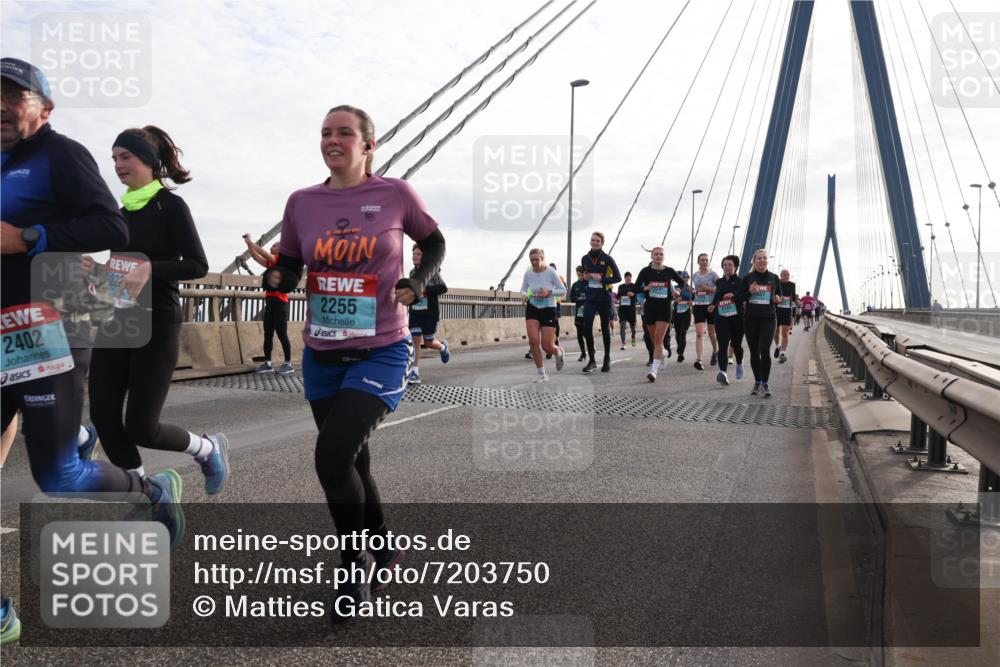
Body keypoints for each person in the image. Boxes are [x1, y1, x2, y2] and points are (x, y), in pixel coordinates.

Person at [1, 58, 182, 644]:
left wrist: (30, 238)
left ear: (44, 109)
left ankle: (152, 490)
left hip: (45, 324)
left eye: (13, 95)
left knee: (59, 475)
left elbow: (112, 228)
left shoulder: (61, 155)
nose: (0, 105)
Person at [262, 104, 445, 623]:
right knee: (354, 460)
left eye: (345, 133)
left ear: (369, 146)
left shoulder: (395, 193)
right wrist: (277, 277)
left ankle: (352, 565)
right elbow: (293, 262)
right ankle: (382, 547)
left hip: (383, 347)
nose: (332, 140)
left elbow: (432, 241)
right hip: (322, 353)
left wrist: (418, 281)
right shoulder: (301, 202)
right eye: (325, 133)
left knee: (332, 456)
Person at [84, 125, 229, 494]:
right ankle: (147, 493)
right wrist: (96, 276)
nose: (117, 164)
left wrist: (149, 268)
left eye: (125, 156)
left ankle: (208, 449)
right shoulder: (120, 213)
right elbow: (123, 276)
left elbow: (197, 264)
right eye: (114, 158)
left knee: (141, 427)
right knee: (102, 415)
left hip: (158, 319)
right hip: (119, 319)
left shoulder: (170, 206)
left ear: (147, 160)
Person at [735, 249, 782, 397]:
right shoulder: (748, 278)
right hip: (750, 319)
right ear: (754, 261)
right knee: (754, 351)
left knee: (764, 349)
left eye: (764, 258)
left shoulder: (774, 277)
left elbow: (779, 294)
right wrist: (750, 292)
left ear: (767, 260)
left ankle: (765, 384)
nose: (761, 260)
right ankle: (757, 381)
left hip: (768, 319)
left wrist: (778, 299)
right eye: (759, 258)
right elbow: (738, 298)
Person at [245, 236, 294, 375]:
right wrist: (248, 244)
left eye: (274, 245)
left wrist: (251, 242)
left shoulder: (280, 261)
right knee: (268, 334)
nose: (272, 247)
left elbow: (264, 254)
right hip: (270, 303)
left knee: (282, 334)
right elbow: (255, 256)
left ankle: (288, 364)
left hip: (280, 303)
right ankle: (268, 363)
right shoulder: (272, 264)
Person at [635, 248, 684, 382]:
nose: (658, 256)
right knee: (655, 341)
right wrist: (646, 288)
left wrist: (677, 291)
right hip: (650, 308)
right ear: (652, 256)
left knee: (658, 339)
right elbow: (635, 288)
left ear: (664, 256)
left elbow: (682, 282)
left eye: (661, 254)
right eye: (656, 254)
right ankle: (663, 353)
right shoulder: (645, 271)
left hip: (664, 308)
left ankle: (653, 371)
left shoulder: (669, 271)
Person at [520, 249, 566, 382]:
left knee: (547, 346)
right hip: (533, 308)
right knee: (533, 341)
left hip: (548, 309)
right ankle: (541, 374)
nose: (534, 262)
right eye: (532, 260)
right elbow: (523, 289)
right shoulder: (528, 274)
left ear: (542, 258)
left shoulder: (551, 273)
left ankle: (558, 352)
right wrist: (523, 295)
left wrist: (549, 292)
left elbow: (563, 291)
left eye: (536, 260)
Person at [407, 244, 449, 384]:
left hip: (430, 313)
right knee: (415, 340)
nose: (415, 256)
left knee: (429, 343)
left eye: (418, 254)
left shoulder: (432, 272)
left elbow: (443, 288)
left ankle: (443, 347)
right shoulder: (412, 273)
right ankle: (415, 372)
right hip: (415, 312)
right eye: (414, 254)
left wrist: (425, 289)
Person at [580, 231, 622, 372]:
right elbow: (584, 276)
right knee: (586, 327)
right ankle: (592, 360)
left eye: (598, 240)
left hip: (604, 297)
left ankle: (607, 358)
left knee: (605, 328)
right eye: (593, 240)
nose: (595, 242)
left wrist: (602, 279)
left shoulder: (607, 259)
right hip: (590, 298)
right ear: (590, 241)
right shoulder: (584, 259)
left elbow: (618, 278)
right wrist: (585, 277)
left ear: (602, 243)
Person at [708, 255, 745, 385]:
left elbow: (743, 296)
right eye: (725, 265)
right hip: (722, 316)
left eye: (730, 265)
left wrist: (734, 296)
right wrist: (713, 305)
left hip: (737, 317)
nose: (727, 267)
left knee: (736, 345)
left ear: (735, 267)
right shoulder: (719, 282)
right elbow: (717, 296)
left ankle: (739, 363)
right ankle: (723, 372)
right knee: (723, 345)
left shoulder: (741, 281)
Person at [691, 253, 720, 370]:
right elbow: (696, 290)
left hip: (711, 306)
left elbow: (720, 289)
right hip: (698, 306)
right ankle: (699, 360)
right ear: (698, 262)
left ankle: (715, 351)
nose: (704, 262)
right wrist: (694, 292)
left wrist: (708, 289)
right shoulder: (694, 275)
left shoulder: (713, 274)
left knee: (712, 333)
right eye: (702, 260)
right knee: (699, 333)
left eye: (706, 260)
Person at [772, 269, 798, 365]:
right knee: (776, 331)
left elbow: (793, 296)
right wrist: (777, 298)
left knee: (785, 332)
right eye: (785, 275)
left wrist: (797, 301)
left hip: (787, 310)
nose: (787, 276)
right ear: (781, 275)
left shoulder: (792, 285)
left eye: (788, 275)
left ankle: (782, 353)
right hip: (776, 310)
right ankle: (778, 346)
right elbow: (772, 294)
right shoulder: (776, 283)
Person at [672, 272, 694, 363]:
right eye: (683, 277)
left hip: (686, 312)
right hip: (677, 313)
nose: (685, 278)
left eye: (687, 277)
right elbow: (671, 302)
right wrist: (676, 301)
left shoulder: (690, 289)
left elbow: (694, 301)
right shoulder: (675, 287)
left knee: (683, 332)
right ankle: (679, 348)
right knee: (678, 334)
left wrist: (691, 303)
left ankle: (681, 353)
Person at [568, 265, 588, 361]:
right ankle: (583, 353)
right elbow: (571, 298)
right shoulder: (575, 285)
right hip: (579, 312)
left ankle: (591, 347)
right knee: (579, 333)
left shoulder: (589, 283)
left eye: (581, 274)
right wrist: (576, 298)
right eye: (578, 274)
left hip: (588, 313)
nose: (580, 276)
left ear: (585, 274)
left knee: (586, 332)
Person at [617, 272, 638, 350]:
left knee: (633, 328)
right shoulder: (620, 286)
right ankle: (623, 343)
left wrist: (633, 294)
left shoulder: (634, 286)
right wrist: (616, 299)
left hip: (631, 310)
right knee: (622, 325)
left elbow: (637, 295)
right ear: (625, 278)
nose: (628, 279)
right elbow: (618, 296)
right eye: (627, 278)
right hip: (622, 309)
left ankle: (633, 337)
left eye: (630, 278)